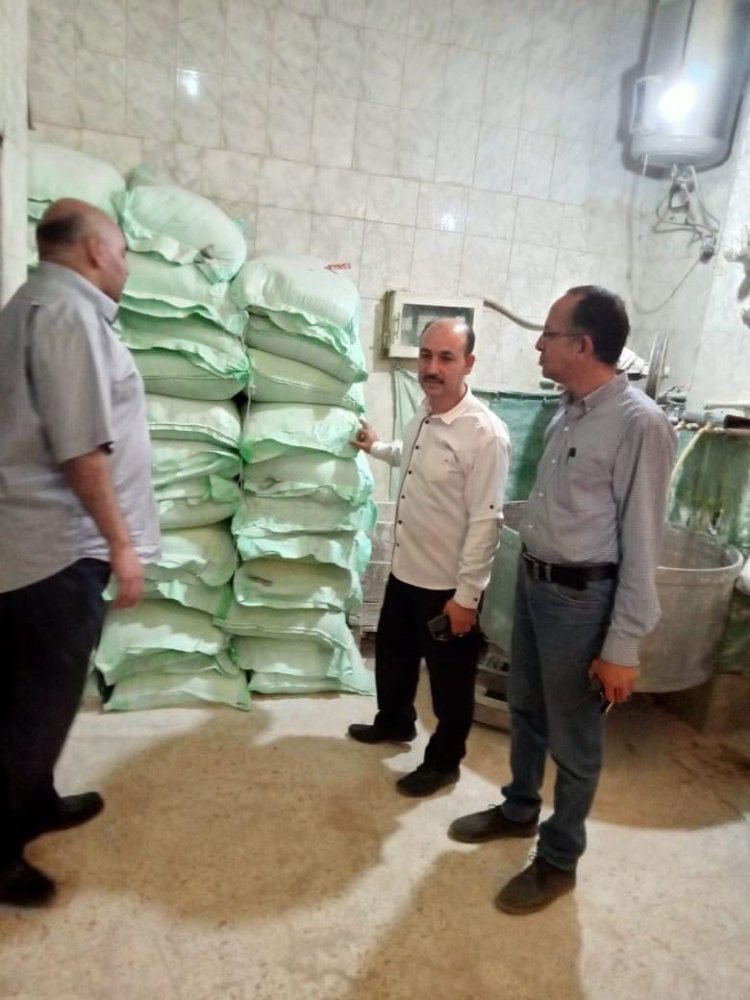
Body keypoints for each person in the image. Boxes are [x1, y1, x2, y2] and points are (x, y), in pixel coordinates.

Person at [449, 286, 678, 915]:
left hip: (582, 600)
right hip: (534, 583)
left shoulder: (639, 424)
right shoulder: (568, 412)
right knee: (525, 708)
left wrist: (622, 645)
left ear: (582, 344)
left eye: (548, 334)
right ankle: (520, 808)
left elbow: (643, 542)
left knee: (574, 738)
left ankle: (559, 859)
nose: (538, 345)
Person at [0, 198, 160, 907]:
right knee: (35, 707)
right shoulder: (68, 315)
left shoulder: (31, 303)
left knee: (34, 699)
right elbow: (80, 449)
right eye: (122, 251)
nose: (124, 265)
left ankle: (35, 801)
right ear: (95, 250)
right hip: (56, 550)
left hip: (33, 545)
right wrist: (121, 543)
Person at [347, 317, 511, 797]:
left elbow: (486, 521)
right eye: (425, 355)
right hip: (406, 570)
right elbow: (417, 458)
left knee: (449, 682)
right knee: (394, 659)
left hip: (447, 587)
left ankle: (444, 763)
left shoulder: (485, 434)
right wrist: (378, 447)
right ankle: (394, 721)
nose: (432, 367)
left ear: (468, 364)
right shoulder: (424, 412)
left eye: (446, 357)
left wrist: (467, 597)